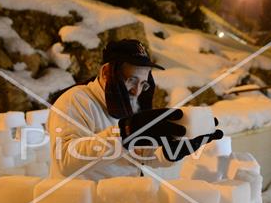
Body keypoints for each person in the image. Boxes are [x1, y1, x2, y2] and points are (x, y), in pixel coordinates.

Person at [47, 39, 223, 180]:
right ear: (106, 73)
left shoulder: (123, 104)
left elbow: (138, 153)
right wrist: (125, 133)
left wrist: (169, 152)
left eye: (143, 84)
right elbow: (65, 161)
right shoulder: (74, 101)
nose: (136, 91)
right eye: (131, 80)